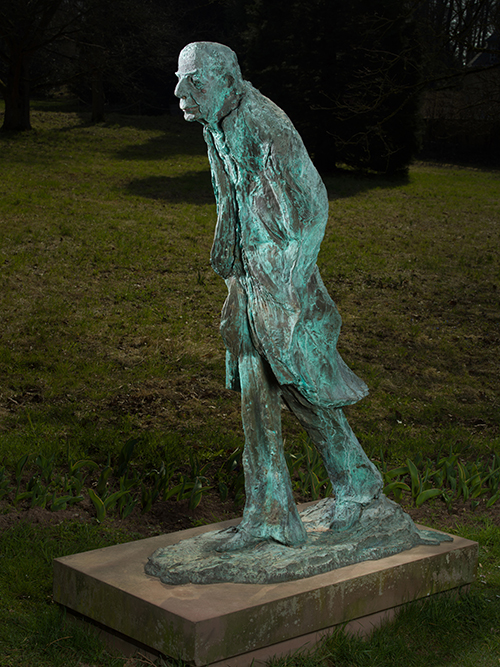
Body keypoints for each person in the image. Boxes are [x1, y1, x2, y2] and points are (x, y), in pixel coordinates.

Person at [174, 42, 383, 552]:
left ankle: (344, 485)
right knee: (261, 383)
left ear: (228, 80)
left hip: (279, 273)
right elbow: (231, 193)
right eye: (179, 78)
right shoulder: (217, 119)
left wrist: (290, 278)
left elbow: (312, 202)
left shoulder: (263, 122)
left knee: (296, 379)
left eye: (195, 80)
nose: (181, 91)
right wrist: (234, 264)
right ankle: (275, 511)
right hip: (248, 270)